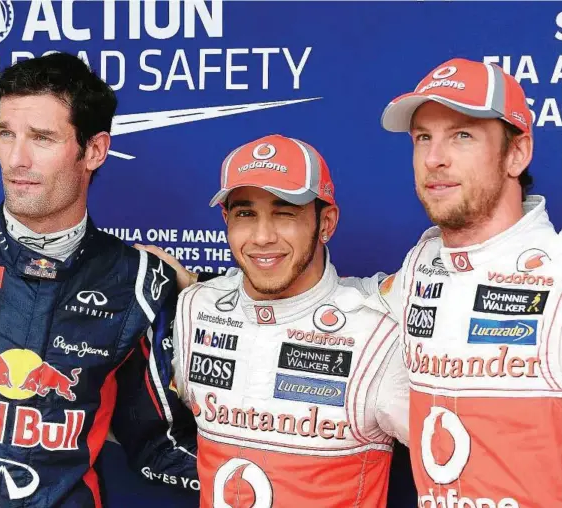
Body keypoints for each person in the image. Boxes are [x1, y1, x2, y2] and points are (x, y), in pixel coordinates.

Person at [0, 52, 197, 507]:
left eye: (42, 138)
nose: (16, 159)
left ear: (93, 150)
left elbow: (157, 441)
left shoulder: (139, 281)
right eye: (5, 134)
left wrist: (278, 482)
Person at [141, 134, 409, 507]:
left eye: (285, 213)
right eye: (245, 214)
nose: (262, 237)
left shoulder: (378, 331)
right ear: (226, 220)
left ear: (326, 222)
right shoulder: (195, 308)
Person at [377, 57, 562, 507]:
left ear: (516, 153)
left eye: (462, 135)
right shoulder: (422, 263)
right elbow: (348, 306)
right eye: (424, 138)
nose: (435, 158)